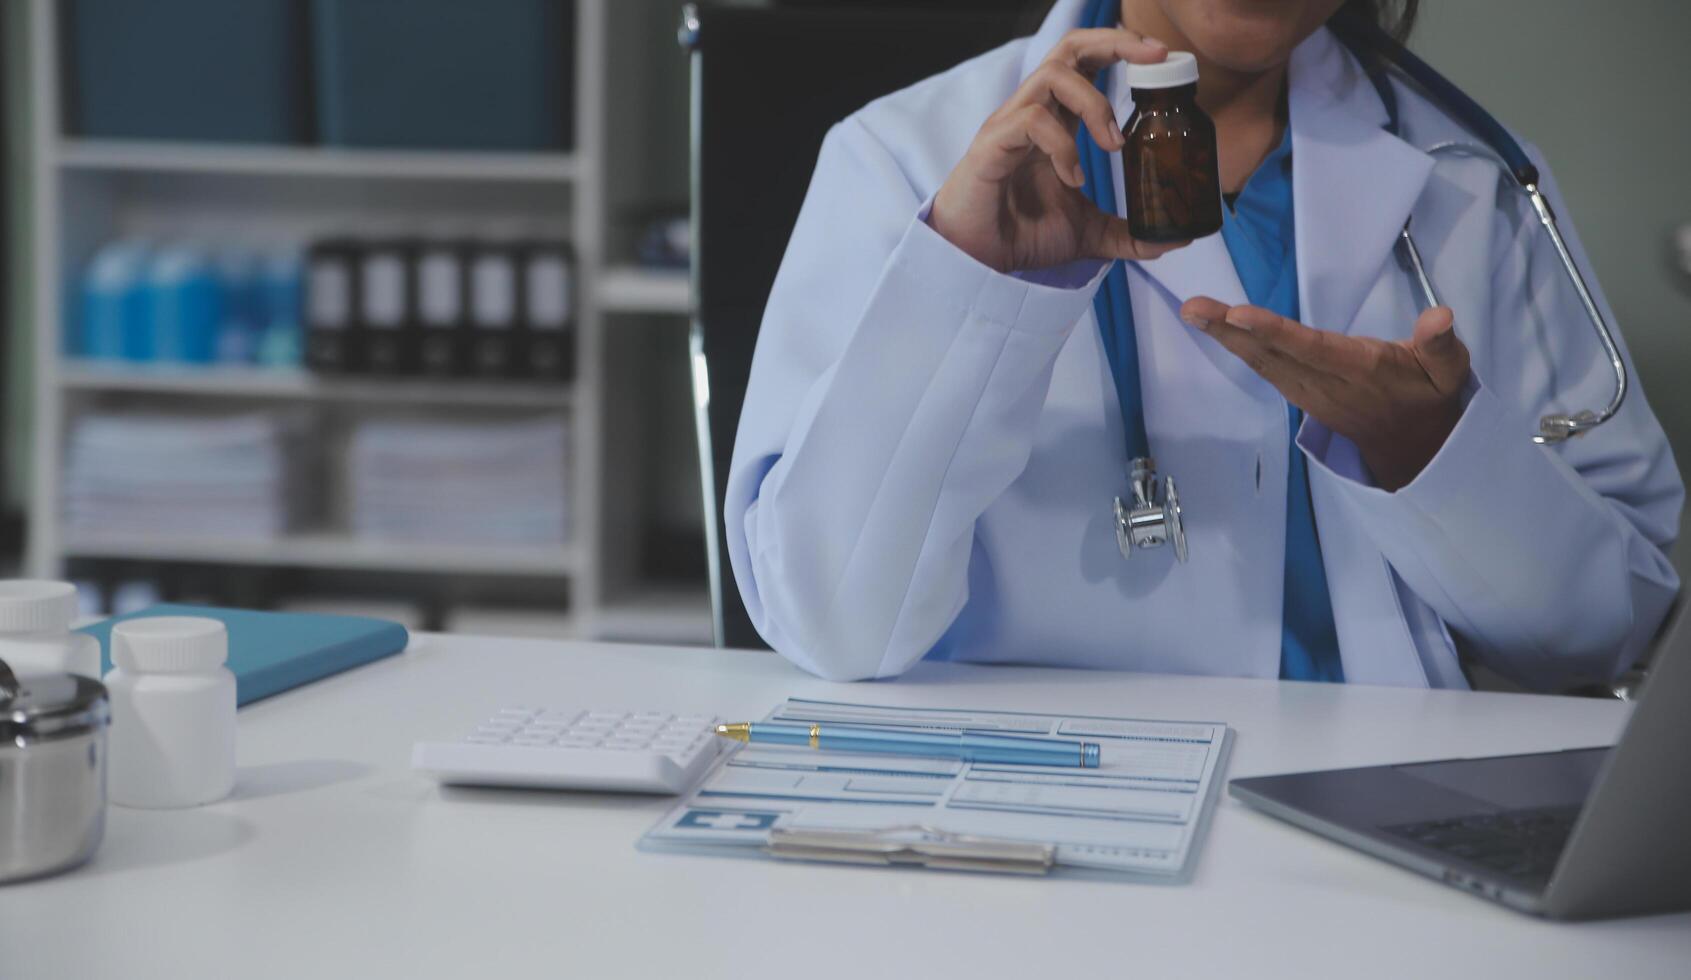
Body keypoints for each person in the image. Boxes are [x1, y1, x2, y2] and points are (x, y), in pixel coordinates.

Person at [724, 0, 1683, 688]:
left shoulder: (1471, 178)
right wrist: (972, 281)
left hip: (1378, 819)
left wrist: (1432, 458)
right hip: (1044, 815)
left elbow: (1605, 633)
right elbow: (832, 623)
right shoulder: (903, 158)